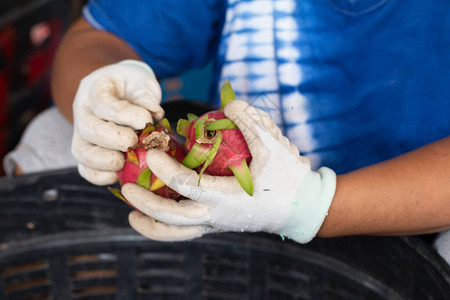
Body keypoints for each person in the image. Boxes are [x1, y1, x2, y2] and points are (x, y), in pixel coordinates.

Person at [3, 1, 449, 264]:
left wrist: (312, 205)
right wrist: (105, 87)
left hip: (420, 214)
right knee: (52, 138)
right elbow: (97, 38)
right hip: (227, 184)